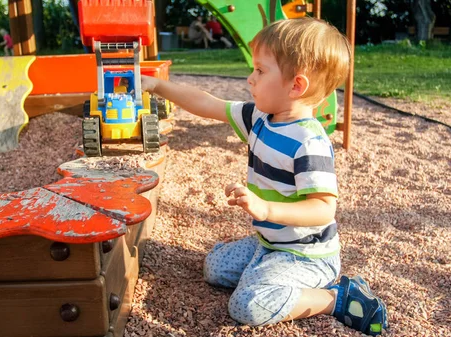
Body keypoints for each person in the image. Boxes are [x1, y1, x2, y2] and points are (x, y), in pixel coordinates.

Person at [142, 18, 388, 336]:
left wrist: (267, 210)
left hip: (306, 256)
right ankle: (266, 267)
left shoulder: (308, 141)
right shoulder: (260, 118)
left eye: (260, 71)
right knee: (213, 268)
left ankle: (335, 297)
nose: (250, 79)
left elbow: (323, 209)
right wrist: (158, 85)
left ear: (296, 86)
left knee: (247, 305)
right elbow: (206, 103)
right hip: (270, 243)